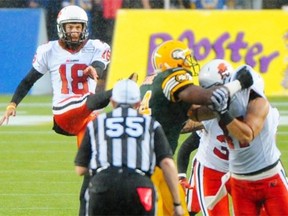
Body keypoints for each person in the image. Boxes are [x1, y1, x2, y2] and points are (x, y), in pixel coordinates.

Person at [0, 5, 112, 216]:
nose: (75, 32)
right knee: (92, 102)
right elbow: (28, 80)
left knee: (92, 172)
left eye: (78, 27)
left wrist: (94, 70)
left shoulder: (96, 47)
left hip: (87, 119)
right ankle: (122, 92)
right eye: (70, 27)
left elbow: (100, 63)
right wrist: (13, 104)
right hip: (64, 114)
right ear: (62, 28)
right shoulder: (49, 50)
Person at [139, 40, 254, 216]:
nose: (188, 63)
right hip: (151, 167)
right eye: (184, 59)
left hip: (152, 162)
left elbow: (188, 118)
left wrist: (224, 114)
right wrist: (237, 85)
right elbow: (207, 97)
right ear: (173, 62)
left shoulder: (149, 84)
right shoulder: (170, 77)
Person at [74, 79, 184, 216]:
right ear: (138, 103)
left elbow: (80, 169)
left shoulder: (97, 123)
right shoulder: (150, 124)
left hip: (103, 186)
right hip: (139, 185)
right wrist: (177, 203)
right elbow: (167, 162)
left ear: (113, 102)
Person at [190, 63, 288, 215]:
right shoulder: (217, 108)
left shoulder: (259, 104)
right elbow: (193, 114)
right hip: (239, 180)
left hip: (269, 176)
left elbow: (246, 135)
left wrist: (222, 112)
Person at [178, 59, 235, 216]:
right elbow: (187, 145)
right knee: (190, 209)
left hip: (239, 170)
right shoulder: (206, 115)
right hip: (211, 169)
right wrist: (181, 175)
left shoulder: (252, 107)